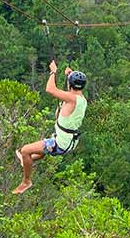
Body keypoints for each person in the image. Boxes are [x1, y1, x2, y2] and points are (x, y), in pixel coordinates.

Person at [12, 60, 88, 194]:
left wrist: (53, 71)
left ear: (70, 84)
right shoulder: (81, 99)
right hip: (69, 142)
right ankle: (27, 162)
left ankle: (26, 181)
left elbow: (50, 89)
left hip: (60, 143)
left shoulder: (71, 99)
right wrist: (69, 74)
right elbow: (71, 92)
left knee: (25, 151)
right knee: (41, 151)